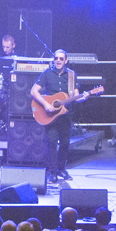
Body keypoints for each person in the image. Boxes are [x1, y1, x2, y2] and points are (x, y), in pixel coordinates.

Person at [30, 50, 82, 184]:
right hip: (50, 114)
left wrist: (84, 97)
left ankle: (62, 168)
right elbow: (33, 91)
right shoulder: (47, 73)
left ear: (66, 61)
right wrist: (45, 104)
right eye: (56, 58)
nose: (58, 60)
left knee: (65, 143)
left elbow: (76, 97)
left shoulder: (71, 75)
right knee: (52, 142)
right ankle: (53, 172)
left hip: (66, 114)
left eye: (61, 59)